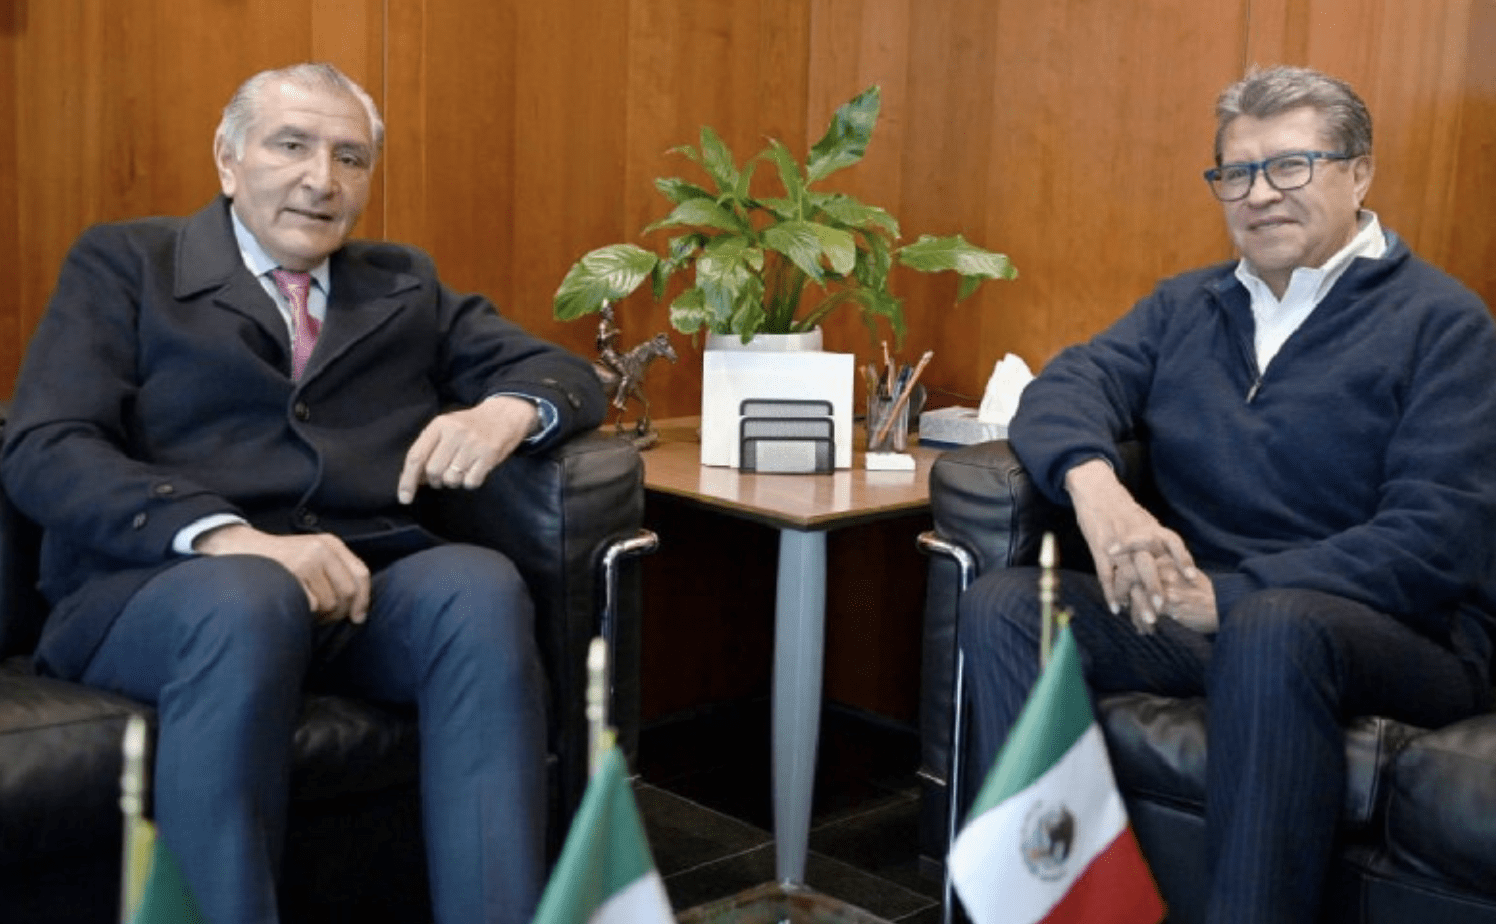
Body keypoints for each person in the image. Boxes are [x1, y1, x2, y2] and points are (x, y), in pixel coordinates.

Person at [0, 63, 606, 924]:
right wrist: (226, 537)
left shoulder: (403, 283)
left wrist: (508, 412)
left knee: (475, 587)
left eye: (350, 157)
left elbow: (562, 372)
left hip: (354, 592)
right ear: (228, 159)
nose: (323, 180)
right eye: (292, 145)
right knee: (250, 596)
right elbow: (45, 447)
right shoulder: (125, 263)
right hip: (164, 592)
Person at [957, 65, 1496, 923]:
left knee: (1272, 624)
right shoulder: (1189, 306)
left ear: (1359, 175)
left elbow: (1433, 541)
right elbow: (1064, 387)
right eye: (1236, 173)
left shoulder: (1445, 323)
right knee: (1009, 604)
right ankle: (1045, 906)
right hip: (1207, 615)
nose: (1259, 194)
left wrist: (1232, 595)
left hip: (1395, 635)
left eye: (1290, 166)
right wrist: (1102, 497)